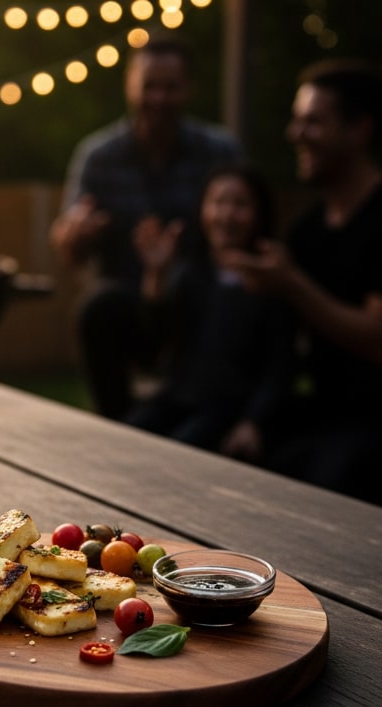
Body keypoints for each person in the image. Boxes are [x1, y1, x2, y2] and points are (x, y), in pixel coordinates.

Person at [224, 59, 382, 513]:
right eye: (297, 119)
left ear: (359, 130)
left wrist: (292, 284)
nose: (296, 133)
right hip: (327, 413)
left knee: (309, 498)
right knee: (227, 470)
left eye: (313, 121)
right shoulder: (308, 229)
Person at [50, 35, 240, 420]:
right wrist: (76, 233)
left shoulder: (218, 150)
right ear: (130, 87)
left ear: (188, 89)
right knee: (96, 307)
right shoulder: (99, 156)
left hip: (199, 302)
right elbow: (67, 242)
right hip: (128, 304)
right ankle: (114, 424)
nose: (158, 98)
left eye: (170, 88)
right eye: (149, 86)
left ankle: (220, 413)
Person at [126, 163, 297, 463]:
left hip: (229, 409)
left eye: (240, 204)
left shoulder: (272, 282)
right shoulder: (192, 274)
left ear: (259, 214)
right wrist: (155, 275)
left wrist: (253, 422)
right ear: (203, 211)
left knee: (176, 453)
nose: (226, 215)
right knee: (123, 439)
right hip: (179, 397)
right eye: (218, 202)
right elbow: (154, 341)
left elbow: (280, 367)